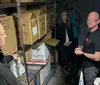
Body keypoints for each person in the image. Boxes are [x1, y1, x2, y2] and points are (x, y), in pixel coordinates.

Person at [75, 11, 100, 85]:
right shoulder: (90, 32)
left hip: (91, 68)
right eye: (88, 19)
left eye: (92, 20)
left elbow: (97, 57)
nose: (89, 22)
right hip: (86, 66)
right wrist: (80, 48)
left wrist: (82, 53)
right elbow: (88, 45)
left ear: (98, 21)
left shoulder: (97, 36)